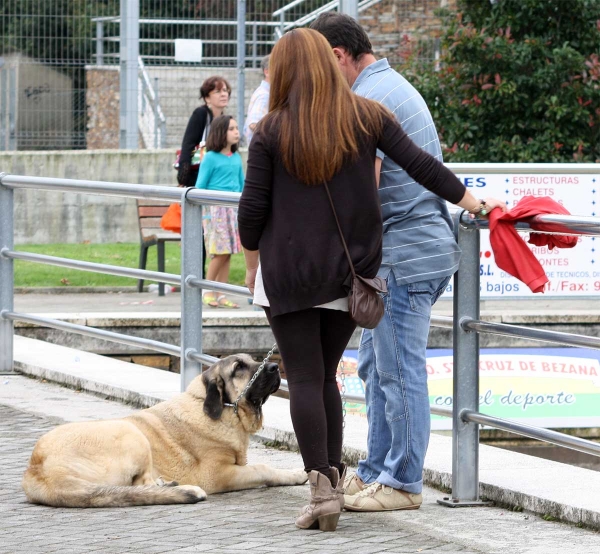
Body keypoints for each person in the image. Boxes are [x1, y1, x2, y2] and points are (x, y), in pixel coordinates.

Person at [237, 28, 505, 531]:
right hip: (350, 274)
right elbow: (424, 166)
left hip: (290, 276)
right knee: (331, 379)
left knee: (306, 381)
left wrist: (252, 260)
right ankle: (337, 480)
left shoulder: (271, 130)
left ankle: (323, 490)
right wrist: (472, 203)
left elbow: (251, 214)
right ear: (326, 62)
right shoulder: (367, 117)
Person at [310, 12, 506, 512]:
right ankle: (378, 471)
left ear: (337, 56)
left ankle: (402, 482)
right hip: (411, 251)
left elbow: (363, 193)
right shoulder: (389, 85)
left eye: (319, 66)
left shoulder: (369, 98)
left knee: (398, 371)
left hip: (404, 254)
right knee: (378, 368)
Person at [196, 115, 244, 309]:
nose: (236, 132)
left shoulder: (237, 158)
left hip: (233, 211)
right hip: (215, 212)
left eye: (236, 128)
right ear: (220, 132)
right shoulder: (209, 158)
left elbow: (242, 184)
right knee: (219, 252)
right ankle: (207, 289)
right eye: (231, 129)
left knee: (228, 253)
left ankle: (221, 293)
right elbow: (200, 186)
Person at [243, 55, 270, 145]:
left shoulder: (263, 92)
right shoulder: (264, 95)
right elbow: (253, 124)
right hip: (261, 151)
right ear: (267, 72)